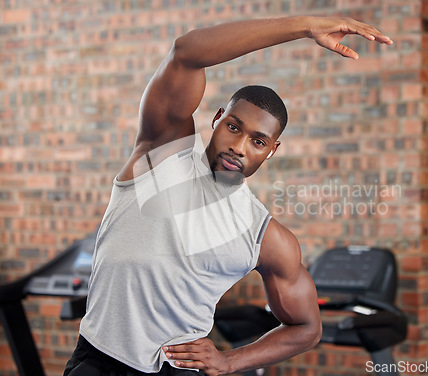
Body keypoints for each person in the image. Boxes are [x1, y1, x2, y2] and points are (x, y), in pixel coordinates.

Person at [63, 15, 392, 376]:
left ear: (271, 150)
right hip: (98, 361)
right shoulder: (162, 153)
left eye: (258, 141)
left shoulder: (263, 235)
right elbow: (186, 52)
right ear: (218, 118)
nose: (238, 146)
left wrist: (230, 360)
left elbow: (307, 328)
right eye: (234, 127)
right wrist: (305, 27)